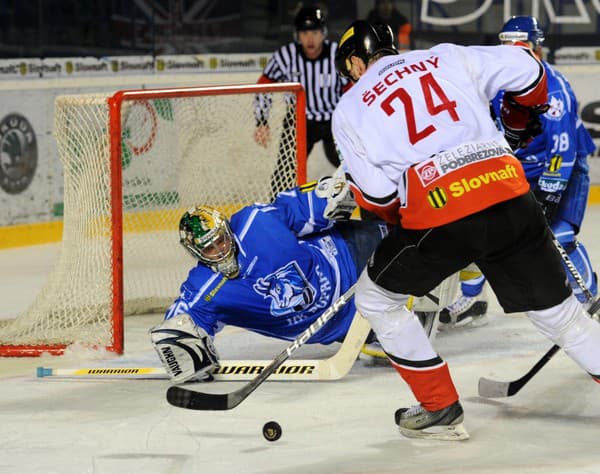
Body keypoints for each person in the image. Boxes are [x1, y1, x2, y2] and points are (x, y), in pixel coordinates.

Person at [332, 20, 600, 441]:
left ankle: (439, 406)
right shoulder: (446, 55)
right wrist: (518, 112)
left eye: (348, 69)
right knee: (562, 317)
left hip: (442, 212)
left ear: (354, 61)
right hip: (510, 193)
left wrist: (409, 231)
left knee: (376, 298)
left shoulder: (349, 108)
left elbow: (381, 198)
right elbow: (530, 70)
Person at [150, 170, 388, 384]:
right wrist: (179, 345)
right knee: (416, 331)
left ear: (227, 229)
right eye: (209, 248)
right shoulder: (205, 289)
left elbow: (294, 209)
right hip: (343, 324)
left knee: (416, 249)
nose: (220, 250)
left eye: (221, 239)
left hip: (350, 250)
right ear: (196, 254)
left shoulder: (255, 222)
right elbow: (178, 323)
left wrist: (325, 198)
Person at [440, 16, 598, 330]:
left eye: (520, 45)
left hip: (565, 167)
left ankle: (589, 296)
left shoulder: (554, 89)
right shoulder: (493, 84)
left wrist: (549, 195)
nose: (512, 52)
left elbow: (562, 150)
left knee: (559, 236)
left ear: (536, 48)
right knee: (479, 227)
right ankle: (473, 298)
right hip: (515, 168)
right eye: (507, 45)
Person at [254, 5, 350, 194]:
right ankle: (279, 210)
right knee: (284, 173)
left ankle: (370, 209)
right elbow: (263, 87)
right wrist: (262, 121)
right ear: (297, 35)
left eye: (314, 32)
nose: (310, 39)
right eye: (305, 33)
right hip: (299, 121)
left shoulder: (336, 54)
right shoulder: (285, 56)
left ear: (323, 33)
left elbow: (352, 88)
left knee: (354, 165)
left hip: (335, 120)